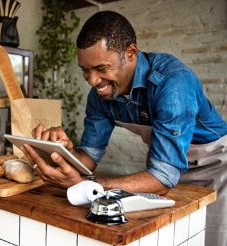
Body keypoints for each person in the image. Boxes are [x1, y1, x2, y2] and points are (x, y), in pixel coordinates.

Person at [20, 11, 227, 246]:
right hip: (168, 170)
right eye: (85, 70)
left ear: (130, 53)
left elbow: (162, 177)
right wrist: (62, 152)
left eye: (101, 68)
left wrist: (90, 186)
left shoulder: (173, 82)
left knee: (212, 238)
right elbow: (89, 157)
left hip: (217, 166)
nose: (92, 81)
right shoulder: (100, 94)